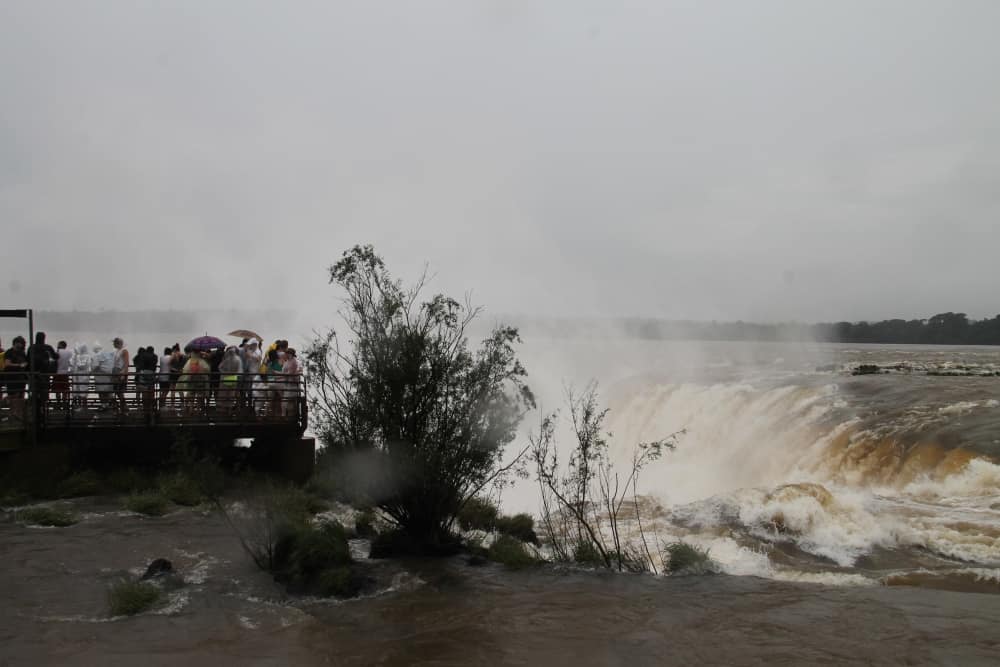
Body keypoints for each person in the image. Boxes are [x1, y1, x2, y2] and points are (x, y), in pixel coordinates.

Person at [26, 332, 58, 423]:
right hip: (45, 375)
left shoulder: (31, 347)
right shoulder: (48, 347)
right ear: (44, 338)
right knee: (44, 393)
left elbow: (28, 360)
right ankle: (43, 410)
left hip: (34, 375)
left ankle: (34, 411)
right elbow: (55, 357)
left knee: (34, 392)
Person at [3, 336, 28, 421]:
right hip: (12, 378)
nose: (21, 345)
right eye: (20, 343)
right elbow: (7, 364)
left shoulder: (22, 353)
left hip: (21, 378)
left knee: (21, 396)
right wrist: (18, 365)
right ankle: (12, 412)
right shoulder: (9, 352)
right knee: (13, 396)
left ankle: (18, 413)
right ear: (15, 343)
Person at [218, 346, 243, 414]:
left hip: (226, 378)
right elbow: (239, 371)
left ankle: (223, 409)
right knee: (231, 394)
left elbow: (220, 367)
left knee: (224, 393)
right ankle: (230, 410)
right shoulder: (238, 359)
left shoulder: (227, 359)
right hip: (233, 378)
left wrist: (225, 373)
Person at [133, 345, 157, 417]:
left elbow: (139, 365)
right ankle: (150, 408)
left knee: (142, 391)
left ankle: (143, 407)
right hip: (151, 374)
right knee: (151, 391)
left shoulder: (140, 357)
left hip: (141, 374)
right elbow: (154, 365)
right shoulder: (154, 356)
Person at [71, 342, 95, 410]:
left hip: (80, 376)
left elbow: (78, 365)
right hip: (84, 376)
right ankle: (83, 406)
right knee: (83, 391)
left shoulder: (80, 356)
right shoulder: (88, 356)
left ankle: (81, 406)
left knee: (80, 391)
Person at [279, 348, 302, 417]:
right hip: (287, 383)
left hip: (292, 384)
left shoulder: (294, 362)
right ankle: (285, 416)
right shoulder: (287, 362)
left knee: (286, 402)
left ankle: (286, 416)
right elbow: (283, 372)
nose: (287, 355)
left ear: (291, 354)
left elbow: (291, 373)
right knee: (286, 402)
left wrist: (281, 375)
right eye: (287, 353)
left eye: (288, 353)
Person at [111, 337, 130, 414]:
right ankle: (122, 407)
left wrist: (124, 373)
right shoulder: (117, 351)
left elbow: (126, 363)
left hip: (120, 372)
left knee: (119, 391)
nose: (113, 344)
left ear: (118, 343)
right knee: (116, 391)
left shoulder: (124, 351)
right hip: (115, 372)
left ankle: (123, 407)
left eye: (114, 343)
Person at [53, 340, 72, 409]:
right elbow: (71, 363)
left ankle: (58, 403)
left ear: (60, 345)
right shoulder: (69, 353)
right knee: (65, 390)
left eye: (58, 344)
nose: (57, 345)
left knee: (57, 390)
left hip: (57, 373)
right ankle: (64, 404)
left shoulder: (57, 352)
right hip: (65, 373)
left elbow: (53, 361)